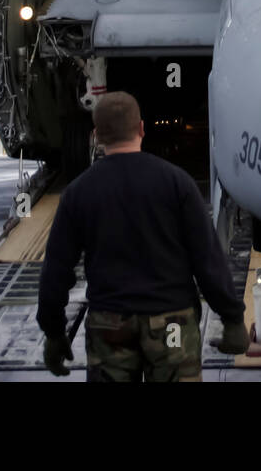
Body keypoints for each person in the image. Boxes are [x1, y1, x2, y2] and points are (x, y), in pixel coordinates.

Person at [37, 91, 249, 381]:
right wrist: (232, 318)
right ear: (141, 129)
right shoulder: (177, 183)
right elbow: (207, 258)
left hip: (109, 323)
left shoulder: (78, 192)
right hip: (172, 323)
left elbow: (56, 270)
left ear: (97, 136)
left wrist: (53, 331)